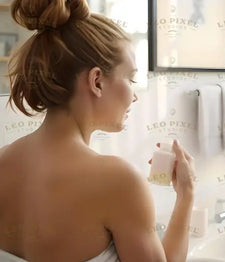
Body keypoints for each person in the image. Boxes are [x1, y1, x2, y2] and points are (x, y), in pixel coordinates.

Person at [0, 0, 195, 261]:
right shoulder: (118, 181)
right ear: (97, 81)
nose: (134, 96)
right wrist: (186, 195)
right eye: (131, 78)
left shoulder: (3, 161)